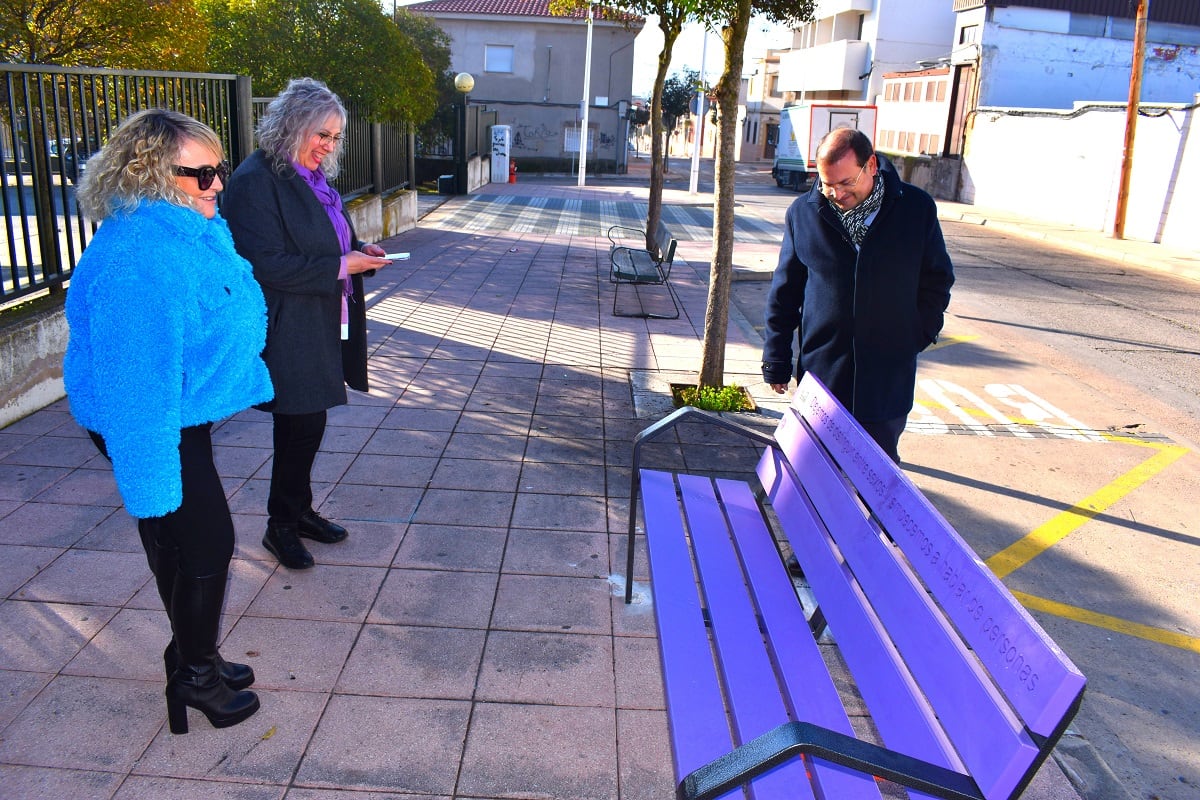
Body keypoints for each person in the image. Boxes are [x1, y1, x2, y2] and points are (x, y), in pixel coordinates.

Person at [63, 108, 273, 734]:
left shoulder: (186, 230)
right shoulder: (142, 261)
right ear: (151, 174)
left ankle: (192, 652)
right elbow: (138, 390)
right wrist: (152, 487)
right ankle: (195, 675)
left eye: (220, 170)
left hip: (175, 410)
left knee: (183, 543)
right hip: (149, 419)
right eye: (199, 173)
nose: (216, 184)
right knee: (203, 541)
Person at [222, 78, 391, 571]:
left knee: (306, 425)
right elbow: (262, 262)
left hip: (318, 317)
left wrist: (360, 252)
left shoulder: (310, 179)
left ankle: (297, 512)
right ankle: (281, 525)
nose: (329, 146)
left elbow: (329, 238)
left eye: (336, 137)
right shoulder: (257, 180)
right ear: (292, 125)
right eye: (322, 134)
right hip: (286, 323)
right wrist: (344, 267)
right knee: (301, 423)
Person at [761, 128, 954, 464]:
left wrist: (915, 334)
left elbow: (937, 279)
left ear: (872, 165)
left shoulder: (915, 209)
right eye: (826, 183)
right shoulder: (803, 213)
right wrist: (776, 359)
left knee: (877, 479)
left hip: (886, 378)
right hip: (822, 378)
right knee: (814, 476)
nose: (835, 193)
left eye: (846, 183)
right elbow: (785, 291)